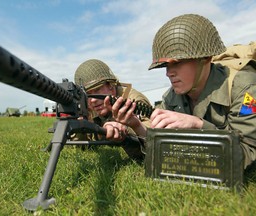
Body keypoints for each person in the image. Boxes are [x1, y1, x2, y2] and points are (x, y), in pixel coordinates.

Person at [103, 13, 256, 169]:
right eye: (166, 66)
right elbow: (159, 153)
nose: (169, 73)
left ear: (206, 58)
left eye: (177, 63)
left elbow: (249, 153)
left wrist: (198, 126)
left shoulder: (245, 89)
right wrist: (136, 126)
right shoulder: (171, 97)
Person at [73, 59, 151, 160]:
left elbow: (153, 135)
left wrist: (127, 128)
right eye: (87, 95)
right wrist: (80, 126)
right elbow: (82, 148)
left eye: (97, 90)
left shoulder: (133, 100)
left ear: (111, 86)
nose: (92, 100)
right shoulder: (90, 107)